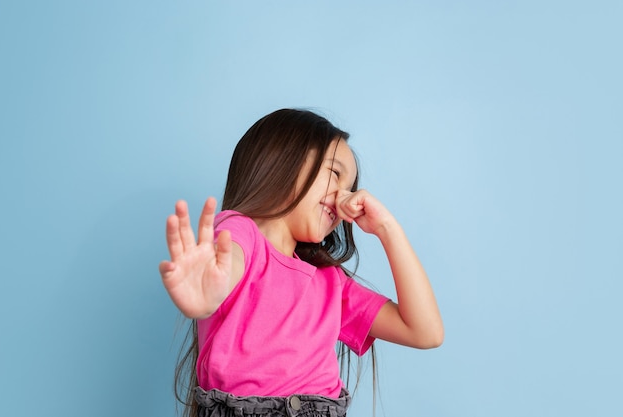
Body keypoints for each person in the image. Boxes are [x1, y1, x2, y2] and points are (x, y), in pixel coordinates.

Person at [159, 109, 443, 417]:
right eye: (335, 174)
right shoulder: (239, 231)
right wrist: (211, 292)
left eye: (349, 188)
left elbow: (425, 332)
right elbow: (230, 264)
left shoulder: (330, 283)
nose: (343, 197)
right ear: (282, 159)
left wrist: (387, 228)